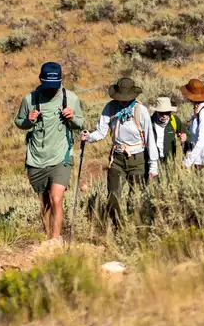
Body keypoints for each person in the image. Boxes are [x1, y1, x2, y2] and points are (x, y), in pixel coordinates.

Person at [15, 61, 83, 241]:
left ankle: (55, 241)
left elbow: (81, 124)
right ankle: (47, 237)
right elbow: (19, 122)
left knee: (56, 198)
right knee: (45, 203)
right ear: (40, 80)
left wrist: (73, 118)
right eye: (48, 85)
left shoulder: (71, 99)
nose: (53, 90)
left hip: (61, 157)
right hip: (36, 158)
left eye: (56, 85)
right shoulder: (30, 99)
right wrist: (28, 120)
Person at [82, 76, 158, 224]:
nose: (123, 100)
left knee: (135, 197)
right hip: (116, 158)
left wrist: (153, 164)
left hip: (138, 158)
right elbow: (101, 131)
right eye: (121, 97)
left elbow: (150, 138)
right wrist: (89, 136)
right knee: (113, 196)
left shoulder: (140, 110)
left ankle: (134, 227)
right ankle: (118, 226)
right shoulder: (110, 108)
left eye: (126, 97)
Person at [149, 96, 182, 170]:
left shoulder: (175, 120)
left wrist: (184, 137)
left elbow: (184, 134)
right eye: (161, 113)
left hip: (169, 160)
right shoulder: (149, 122)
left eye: (167, 113)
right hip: (153, 160)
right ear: (156, 112)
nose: (164, 116)